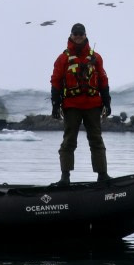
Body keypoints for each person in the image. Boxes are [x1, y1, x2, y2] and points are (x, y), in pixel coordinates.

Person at [50, 23, 112, 186]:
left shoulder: (96, 58)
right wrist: (55, 104)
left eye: (81, 33)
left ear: (85, 35)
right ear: (71, 35)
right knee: (69, 141)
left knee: (96, 140)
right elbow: (56, 81)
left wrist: (107, 101)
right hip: (72, 106)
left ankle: (102, 175)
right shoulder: (63, 58)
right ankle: (65, 177)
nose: (78, 36)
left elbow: (103, 80)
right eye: (75, 33)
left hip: (93, 104)